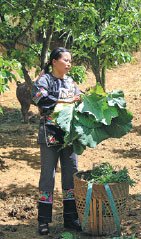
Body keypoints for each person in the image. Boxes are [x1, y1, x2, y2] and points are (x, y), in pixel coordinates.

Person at [32, 47, 82, 235]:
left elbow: (80, 98)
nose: (69, 64)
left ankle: (71, 218)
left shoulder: (71, 82)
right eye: (65, 60)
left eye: (70, 61)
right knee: (48, 177)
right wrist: (68, 102)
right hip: (49, 135)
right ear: (54, 61)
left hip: (69, 136)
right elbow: (39, 99)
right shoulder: (44, 80)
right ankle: (43, 221)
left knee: (71, 176)